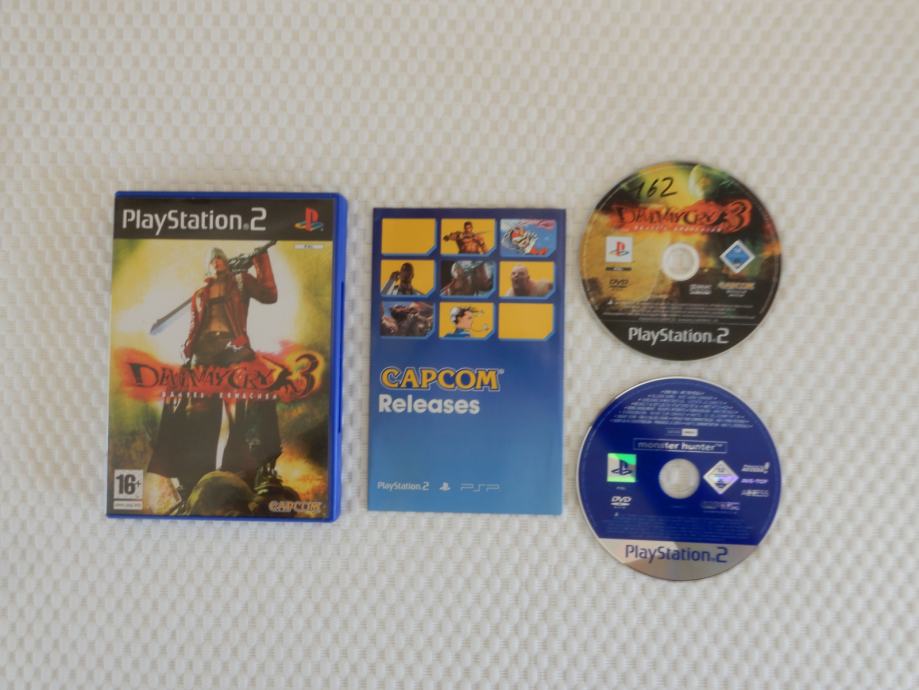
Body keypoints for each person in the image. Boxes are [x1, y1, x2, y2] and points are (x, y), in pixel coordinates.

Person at [147, 245, 281, 497]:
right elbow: (195, 326)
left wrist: (260, 259)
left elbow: (269, 294)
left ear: (227, 263)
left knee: (252, 397)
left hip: (233, 347)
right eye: (212, 260)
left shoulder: (240, 282)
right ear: (207, 267)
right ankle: (193, 476)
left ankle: (247, 469)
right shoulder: (200, 294)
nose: (216, 262)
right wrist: (188, 348)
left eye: (220, 258)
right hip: (203, 351)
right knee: (194, 410)